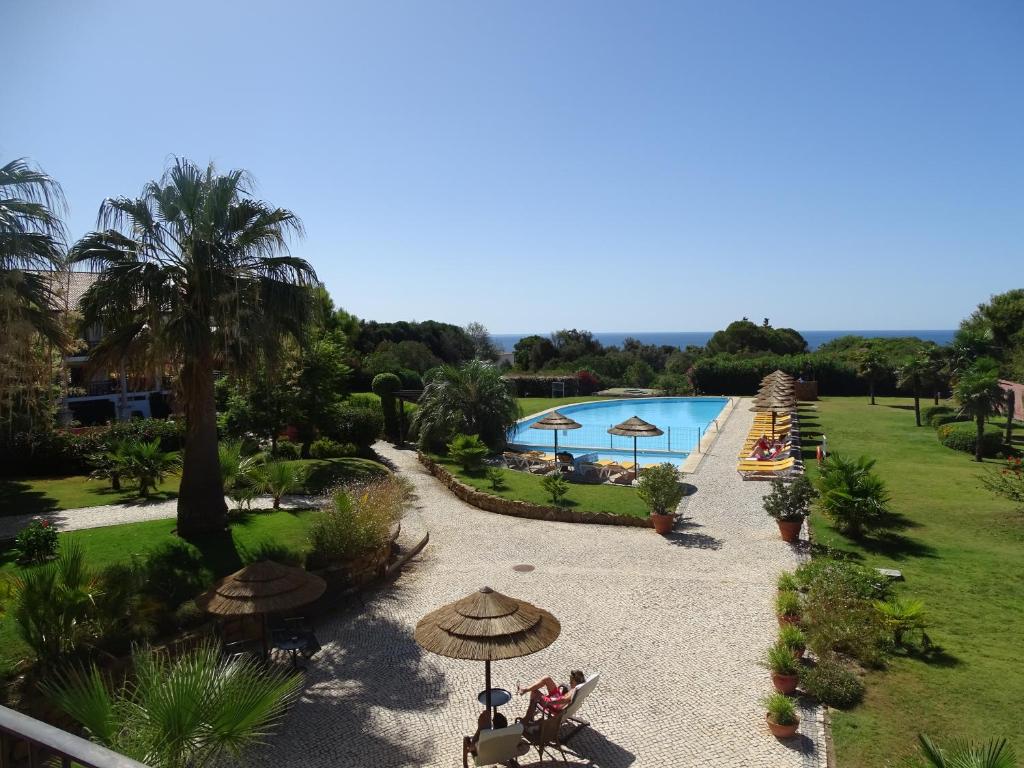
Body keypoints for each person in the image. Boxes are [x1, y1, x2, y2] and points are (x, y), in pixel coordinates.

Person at [518, 670, 586, 722]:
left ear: (576, 681)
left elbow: (565, 700)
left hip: (554, 705)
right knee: (547, 678)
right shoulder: (580, 687)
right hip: (558, 698)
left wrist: (549, 702)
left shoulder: (574, 691)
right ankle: (525, 690)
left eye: (571, 681)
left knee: (534, 692)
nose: (570, 682)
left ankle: (529, 717)